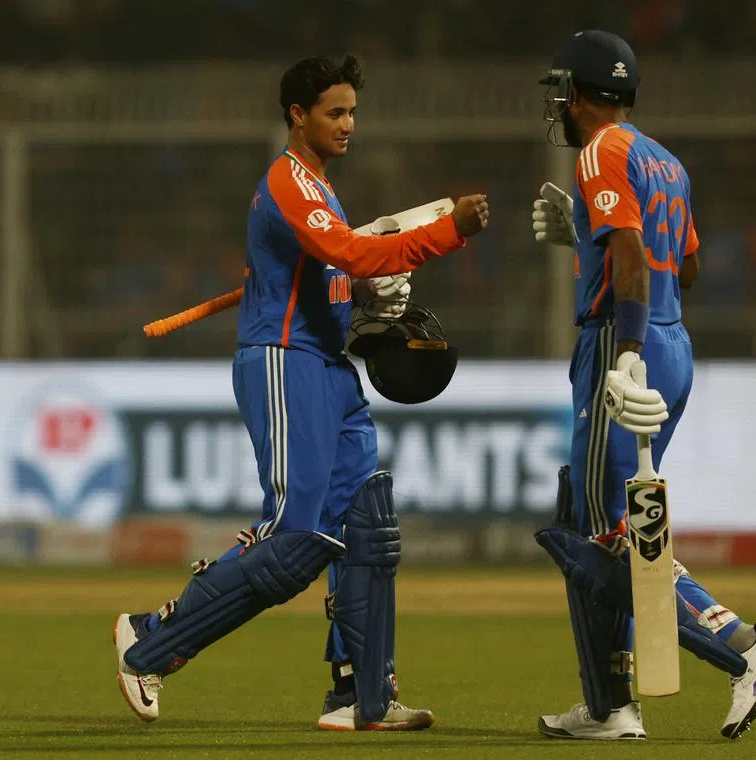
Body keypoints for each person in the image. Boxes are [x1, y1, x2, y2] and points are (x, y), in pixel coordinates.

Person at [112, 54, 489, 731]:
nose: (348, 124)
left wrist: (371, 302)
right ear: (298, 115)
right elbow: (347, 254)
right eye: (334, 112)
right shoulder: (289, 184)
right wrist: (446, 233)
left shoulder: (321, 189)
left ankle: (360, 691)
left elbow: (339, 275)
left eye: (351, 112)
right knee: (294, 539)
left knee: (363, 526)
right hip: (284, 365)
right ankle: (149, 642)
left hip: (326, 366)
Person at [530, 30, 756, 741]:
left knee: (601, 538)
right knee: (601, 522)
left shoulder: (600, 150)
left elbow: (632, 254)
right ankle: (609, 705)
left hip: (627, 341)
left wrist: (627, 350)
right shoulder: (666, 161)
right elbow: (685, 264)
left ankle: (742, 645)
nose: (559, 105)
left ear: (581, 95)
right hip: (673, 342)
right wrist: (586, 239)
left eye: (564, 91)